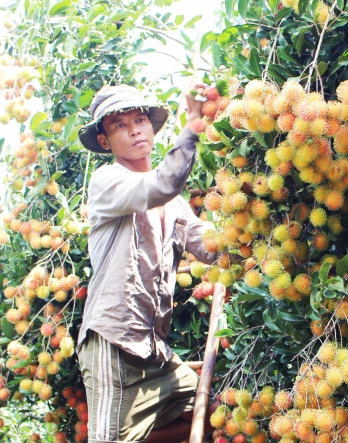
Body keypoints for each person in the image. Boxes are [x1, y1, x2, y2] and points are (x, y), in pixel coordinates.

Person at [76, 83, 219, 443]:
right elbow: (162, 184)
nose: (135, 129)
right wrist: (193, 122)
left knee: (215, 412)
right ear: (105, 142)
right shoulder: (108, 181)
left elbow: (212, 247)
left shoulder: (175, 205)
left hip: (154, 352)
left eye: (140, 120)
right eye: (120, 125)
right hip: (115, 345)